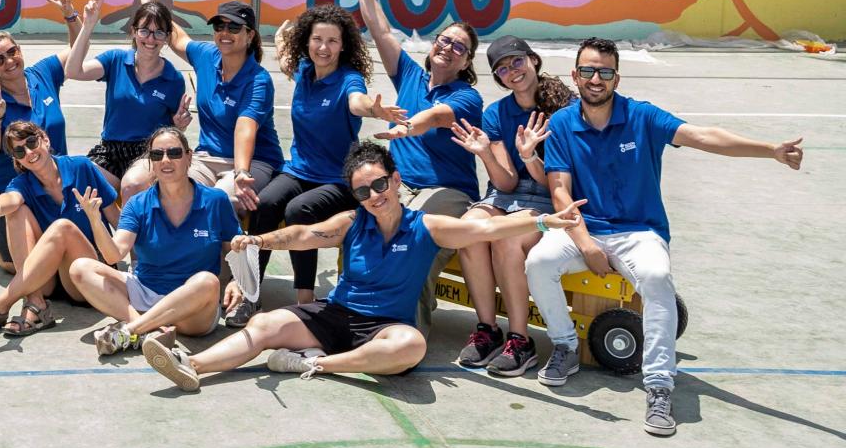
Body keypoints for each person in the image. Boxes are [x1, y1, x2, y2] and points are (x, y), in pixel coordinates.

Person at [526, 37, 805, 437]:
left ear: (616, 77)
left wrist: (770, 150)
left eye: (604, 72)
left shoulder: (642, 116)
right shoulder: (563, 125)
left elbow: (704, 136)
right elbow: (560, 192)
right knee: (538, 262)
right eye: (587, 70)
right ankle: (566, 346)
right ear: (575, 75)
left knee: (657, 280)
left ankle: (658, 383)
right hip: (584, 229)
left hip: (640, 231)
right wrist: (586, 244)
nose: (595, 79)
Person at [141, 142, 586, 393]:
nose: (373, 195)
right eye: (361, 191)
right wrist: (259, 239)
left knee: (409, 346)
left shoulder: (426, 226)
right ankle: (192, 366)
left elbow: (489, 232)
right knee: (265, 324)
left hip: (385, 326)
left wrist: (545, 220)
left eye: (379, 184)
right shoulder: (353, 222)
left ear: (395, 181)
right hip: (337, 314)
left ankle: (318, 365)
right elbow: (302, 234)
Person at [126, 0, 282, 326]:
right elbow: (177, 36)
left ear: (250, 35)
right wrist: (157, 0)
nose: (225, 33)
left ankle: (234, 290)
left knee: (223, 196)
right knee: (155, 184)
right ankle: (151, 274)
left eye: (234, 28)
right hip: (207, 156)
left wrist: (240, 173)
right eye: (219, 26)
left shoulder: (258, 80)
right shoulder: (206, 56)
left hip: (254, 160)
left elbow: (246, 128)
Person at [352, 0, 484, 328]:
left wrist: (408, 126)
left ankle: (408, 329)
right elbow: (379, 30)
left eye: (460, 47)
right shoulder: (408, 75)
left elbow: (435, 117)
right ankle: (361, 309)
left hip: (447, 191)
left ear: (466, 62)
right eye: (445, 40)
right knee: (359, 227)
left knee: (416, 241)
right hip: (400, 185)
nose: (449, 48)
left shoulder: (466, 96)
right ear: (433, 45)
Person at [249, 3, 406, 308]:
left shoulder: (348, 79)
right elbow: (286, 59)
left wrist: (373, 109)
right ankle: (248, 290)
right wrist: (282, 39)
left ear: (343, 45)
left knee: (299, 210)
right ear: (306, 42)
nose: (324, 47)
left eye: (332, 41)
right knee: (265, 204)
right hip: (299, 170)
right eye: (317, 39)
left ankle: (305, 298)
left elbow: (356, 101)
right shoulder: (306, 70)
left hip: (337, 180)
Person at [445, 35, 573, 375]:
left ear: (533, 59)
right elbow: (506, 183)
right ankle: (487, 330)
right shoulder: (497, 113)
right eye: (502, 68)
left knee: (506, 237)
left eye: (516, 61)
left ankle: (521, 339)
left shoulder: (564, 107)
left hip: (548, 196)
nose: (511, 71)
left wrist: (530, 156)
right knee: (469, 230)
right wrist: (485, 152)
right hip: (505, 196)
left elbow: (556, 183)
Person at [70, 127, 243, 357]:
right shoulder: (138, 204)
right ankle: (146, 328)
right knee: (80, 268)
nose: (165, 160)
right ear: (150, 162)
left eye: (174, 153)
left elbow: (235, 250)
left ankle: (131, 329)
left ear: (189, 157)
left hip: (192, 307)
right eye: (156, 155)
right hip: (146, 291)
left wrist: (236, 281)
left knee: (208, 282)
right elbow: (114, 255)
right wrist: (95, 219)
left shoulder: (215, 200)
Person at [0, 121, 119, 338]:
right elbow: (11, 200)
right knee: (16, 212)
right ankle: (35, 302)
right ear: (16, 159)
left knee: (63, 228)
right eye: (20, 151)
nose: (29, 152)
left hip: (87, 277)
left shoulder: (82, 167)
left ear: (45, 139)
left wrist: (137, 267)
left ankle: (1, 303)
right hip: (46, 280)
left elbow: (118, 220)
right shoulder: (22, 183)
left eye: (32, 142)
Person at [0, 26, 74, 272]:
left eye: (11, 52)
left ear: (20, 50)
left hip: (51, 185)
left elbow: (77, 47)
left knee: (64, 252)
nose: (8, 61)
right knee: (16, 265)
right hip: (5, 194)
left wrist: (75, 19)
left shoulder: (42, 74)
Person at [61, 0, 191, 188]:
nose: (151, 39)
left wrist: (180, 125)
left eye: (159, 33)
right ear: (134, 32)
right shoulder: (116, 60)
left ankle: (131, 219)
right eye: (145, 31)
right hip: (110, 149)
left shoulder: (173, 79)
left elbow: (174, 128)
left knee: (131, 185)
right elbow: (73, 71)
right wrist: (88, 25)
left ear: (167, 37)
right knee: (80, 179)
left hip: (148, 151)